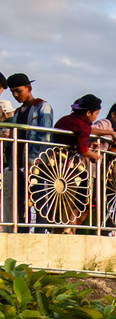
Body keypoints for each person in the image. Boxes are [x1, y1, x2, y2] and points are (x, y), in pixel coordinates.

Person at [7, 75, 54, 231]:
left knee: (39, 198)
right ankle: (21, 231)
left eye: (18, 91)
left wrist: (34, 161)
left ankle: (40, 233)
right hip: (18, 161)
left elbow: (45, 137)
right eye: (13, 92)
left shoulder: (42, 106)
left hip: (36, 162)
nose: (15, 95)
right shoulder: (18, 111)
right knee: (20, 199)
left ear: (29, 88)